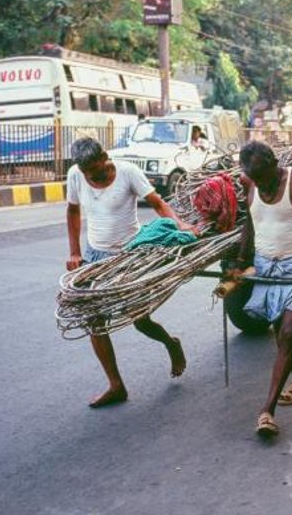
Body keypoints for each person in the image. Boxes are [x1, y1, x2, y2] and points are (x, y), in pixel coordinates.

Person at [65, 136, 195, 408]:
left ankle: (171, 343)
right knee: (94, 320)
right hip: (95, 256)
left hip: (131, 255)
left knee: (140, 320)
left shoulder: (128, 173)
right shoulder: (75, 176)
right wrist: (75, 252)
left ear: (105, 157)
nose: (93, 177)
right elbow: (73, 211)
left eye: (96, 170)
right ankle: (116, 385)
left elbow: (158, 203)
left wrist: (180, 226)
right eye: (87, 173)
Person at [230, 141, 292, 438]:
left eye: (263, 176)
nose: (261, 183)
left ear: (275, 163)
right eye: (254, 178)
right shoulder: (251, 183)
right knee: (279, 328)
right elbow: (250, 223)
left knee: (286, 332)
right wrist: (241, 261)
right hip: (264, 266)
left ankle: (267, 411)